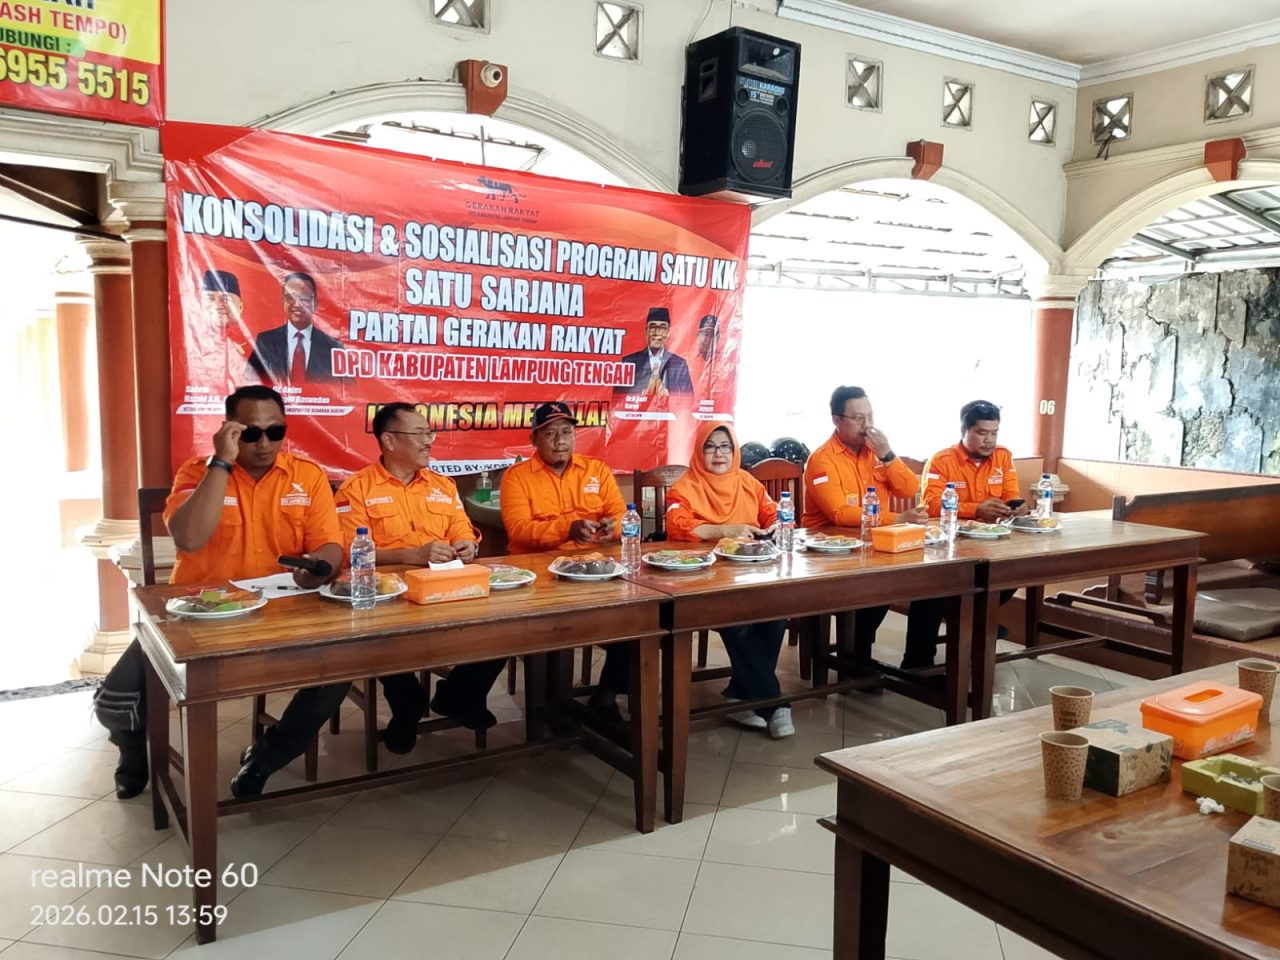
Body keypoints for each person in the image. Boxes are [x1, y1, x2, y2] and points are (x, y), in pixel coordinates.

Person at [95, 386, 347, 800]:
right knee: (116, 699)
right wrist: (222, 463)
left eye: (274, 432)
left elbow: (330, 545)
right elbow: (189, 538)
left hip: (282, 613)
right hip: (199, 615)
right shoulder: (198, 473)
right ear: (229, 431)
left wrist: (319, 566)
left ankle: (265, 757)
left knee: (338, 672)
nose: (264, 443)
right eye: (250, 433)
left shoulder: (307, 475)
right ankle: (133, 751)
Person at [336, 402, 499, 743]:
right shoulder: (357, 489)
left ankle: (457, 695)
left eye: (429, 433)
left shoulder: (443, 485)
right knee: (377, 635)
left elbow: (461, 527)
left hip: (444, 589)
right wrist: (411, 555)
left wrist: (467, 544)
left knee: (503, 626)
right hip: (388, 597)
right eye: (420, 434)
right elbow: (351, 554)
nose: (428, 441)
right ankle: (407, 707)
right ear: (389, 440)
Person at [666, 421, 795, 738]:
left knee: (776, 616)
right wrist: (725, 530)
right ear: (699, 452)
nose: (718, 453)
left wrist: (776, 524)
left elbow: (772, 512)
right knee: (734, 623)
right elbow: (677, 525)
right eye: (710, 446)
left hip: (752, 573)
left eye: (725, 446)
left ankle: (740, 693)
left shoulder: (747, 481)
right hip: (705, 578)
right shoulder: (685, 486)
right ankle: (774, 703)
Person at [500, 401, 629, 717]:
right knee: (554, 626)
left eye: (567, 432)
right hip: (540, 575)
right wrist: (566, 528)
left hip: (595, 570)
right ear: (534, 439)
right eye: (550, 433)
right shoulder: (516, 477)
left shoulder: (596, 470)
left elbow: (621, 515)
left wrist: (611, 527)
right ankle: (549, 709)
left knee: (637, 616)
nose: (560, 441)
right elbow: (519, 529)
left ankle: (606, 694)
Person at [801, 385, 927, 665]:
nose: (867, 425)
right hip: (828, 552)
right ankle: (854, 657)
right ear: (836, 420)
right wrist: (897, 519)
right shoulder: (822, 459)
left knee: (921, 580)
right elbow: (839, 513)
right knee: (877, 587)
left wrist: (888, 455)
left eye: (870, 417)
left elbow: (909, 489)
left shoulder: (876, 454)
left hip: (873, 547)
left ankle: (871, 656)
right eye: (858, 418)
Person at [902, 400, 1028, 668]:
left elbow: (1011, 495)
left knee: (1015, 571)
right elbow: (931, 506)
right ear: (964, 431)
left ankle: (975, 619)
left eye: (994, 433)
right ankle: (917, 663)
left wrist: (1016, 508)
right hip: (947, 546)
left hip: (990, 543)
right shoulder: (942, 460)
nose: (989, 440)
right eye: (982, 433)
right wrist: (975, 510)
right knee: (934, 590)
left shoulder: (1003, 456)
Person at [246, 272, 341, 384]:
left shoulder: (332, 346)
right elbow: (248, 382)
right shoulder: (265, 341)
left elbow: (347, 389)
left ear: (315, 303)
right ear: (283, 301)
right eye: (290, 297)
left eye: (304, 298)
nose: (297, 304)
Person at [615, 307, 694, 397]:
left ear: (668, 333)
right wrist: (640, 398)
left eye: (662, 328)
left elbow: (689, 399)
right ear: (646, 331)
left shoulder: (679, 364)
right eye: (653, 327)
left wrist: (669, 397)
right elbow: (617, 399)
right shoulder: (628, 362)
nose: (657, 332)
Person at [690, 313, 719, 401]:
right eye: (706, 334)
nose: (708, 339)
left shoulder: (725, 366)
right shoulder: (687, 364)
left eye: (712, 335)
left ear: (718, 338)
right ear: (698, 336)